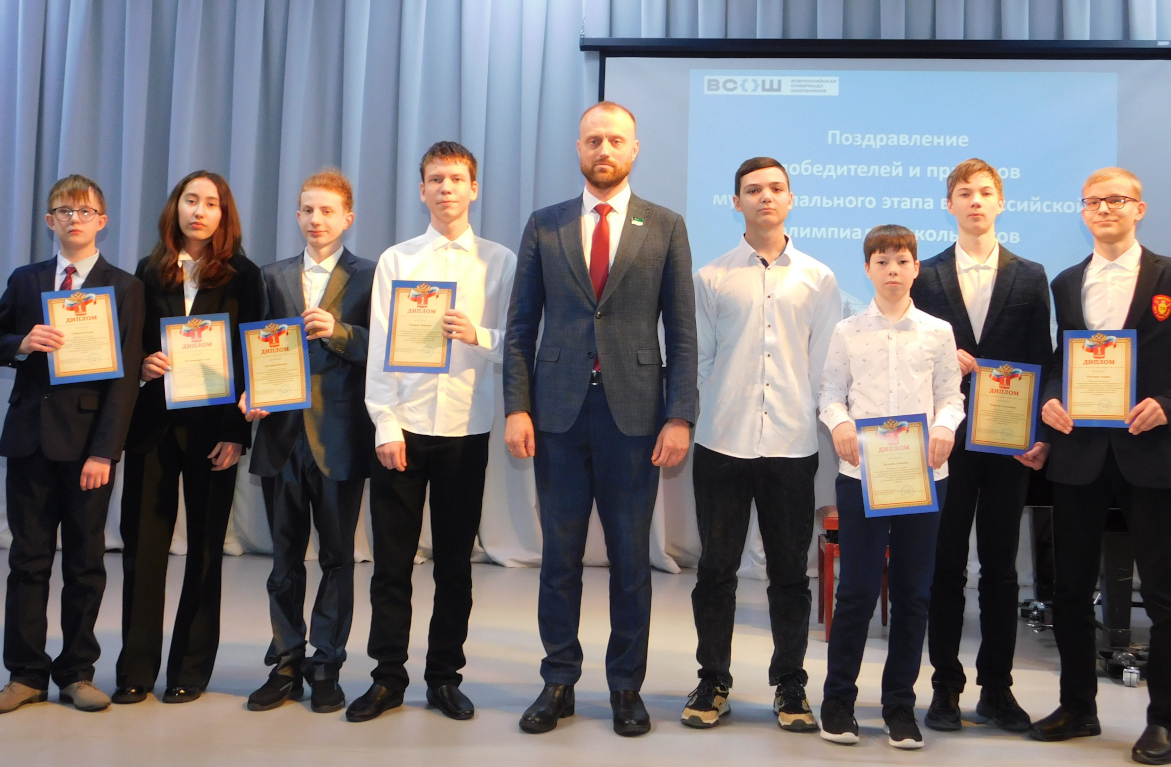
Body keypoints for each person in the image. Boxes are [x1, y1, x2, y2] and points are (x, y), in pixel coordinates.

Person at [504, 101, 697, 737]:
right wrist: (517, 406)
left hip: (635, 419)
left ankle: (625, 687)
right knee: (559, 558)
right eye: (593, 140)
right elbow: (520, 327)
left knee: (630, 561)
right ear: (579, 149)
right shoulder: (546, 224)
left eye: (615, 140)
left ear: (634, 149)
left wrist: (680, 415)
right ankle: (558, 681)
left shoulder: (665, 226)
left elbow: (683, 332)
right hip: (556, 416)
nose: (604, 150)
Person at [1029, 168, 1171, 765]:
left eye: (1116, 200)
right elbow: (1059, 362)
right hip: (1079, 456)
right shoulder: (1068, 282)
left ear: (1138, 209)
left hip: (1149, 451)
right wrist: (1050, 399)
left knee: (1165, 594)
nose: (1104, 209)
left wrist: (1169, 405)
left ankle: (1166, 723)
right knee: (1070, 591)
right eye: (1093, 202)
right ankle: (1077, 707)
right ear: (1082, 211)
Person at [348, 142, 516, 723]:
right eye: (436, 179)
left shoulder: (500, 262)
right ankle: (387, 677)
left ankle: (444, 677)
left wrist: (479, 335)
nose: (447, 188)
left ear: (474, 189)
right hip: (405, 428)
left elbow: (519, 344)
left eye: (457, 179)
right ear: (422, 190)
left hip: (466, 430)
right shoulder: (397, 260)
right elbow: (379, 349)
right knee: (392, 565)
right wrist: (384, 424)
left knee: (454, 565)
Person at [682, 157, 841, 733]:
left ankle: (790, 683)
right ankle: (713, 680)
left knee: (790, 575)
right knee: (715, 570)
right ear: (736, 202)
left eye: (776, 188)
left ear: (790, 198)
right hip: (722, 443)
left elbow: (825, 366)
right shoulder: (711, 277)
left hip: (792, 446)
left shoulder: (819, 278)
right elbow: (699, 361)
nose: (765, 197)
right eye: (753, 190)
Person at [0, 176, 144, 714]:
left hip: (87, 448)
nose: (75, 219)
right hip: (29, 441)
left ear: (102, 221)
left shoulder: (124, 286)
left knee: (85, 563)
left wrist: (105, 451)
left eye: (85, 211)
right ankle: (24, 674)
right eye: (64, 211)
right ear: (50, 220)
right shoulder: (26, 280)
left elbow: (125, 379)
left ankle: (76, 672)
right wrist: (21, 343)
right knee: (27, 562)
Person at [910, 159, 1052, 733]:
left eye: (985, 192)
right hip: (943, 442)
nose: (975, 201)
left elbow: (1042, 359)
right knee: (944, 566)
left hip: (1006, 443)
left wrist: (1038, 434)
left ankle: (998, 688)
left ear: (1000, 202)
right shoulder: (925, 274)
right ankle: (945, 687)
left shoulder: (1031, 275)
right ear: (949, 204)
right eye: (964, 193)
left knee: (1000, 568)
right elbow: (909, 354)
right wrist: (946, 357)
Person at [114, 171, 264, 705]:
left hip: (214, 432)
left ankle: (190, 669)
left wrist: (237, 434)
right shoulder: (146, 270)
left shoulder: (244, 276)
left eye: (211, 203)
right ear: (175, 207)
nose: (199, 211)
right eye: (190, 200)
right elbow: (129, 343)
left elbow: (250, 357)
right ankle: (135, 668)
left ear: (224, 215)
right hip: (152, 428)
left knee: (204, 550)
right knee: (143, 550)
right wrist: (142, 365)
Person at [818, 224, 964, 750]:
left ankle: (900, 704)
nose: (893, 271)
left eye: (902, 261)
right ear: (867, 270)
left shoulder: (938, 332)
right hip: (862, 478)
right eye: (882, 262)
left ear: (916, 268)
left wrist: (945, 428)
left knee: (912, 594)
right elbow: (831, 392)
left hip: (923, 478)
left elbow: (951, 396)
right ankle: (838, 700)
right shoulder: (847, 330)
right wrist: (839, 424)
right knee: (856, 590)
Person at [240, 169, 375, 713]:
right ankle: (286, 661)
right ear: (297, 215)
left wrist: (338, 332)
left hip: (340, 438)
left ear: (347, 218)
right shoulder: (271, 276)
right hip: (281, 436)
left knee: (338, 558)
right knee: (283, 561)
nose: (316, 219)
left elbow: (382, 347)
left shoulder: (370, 275)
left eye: (327, 211)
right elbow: (254, 345)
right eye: (308, 210)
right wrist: (250, 390)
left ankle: (327, 663)